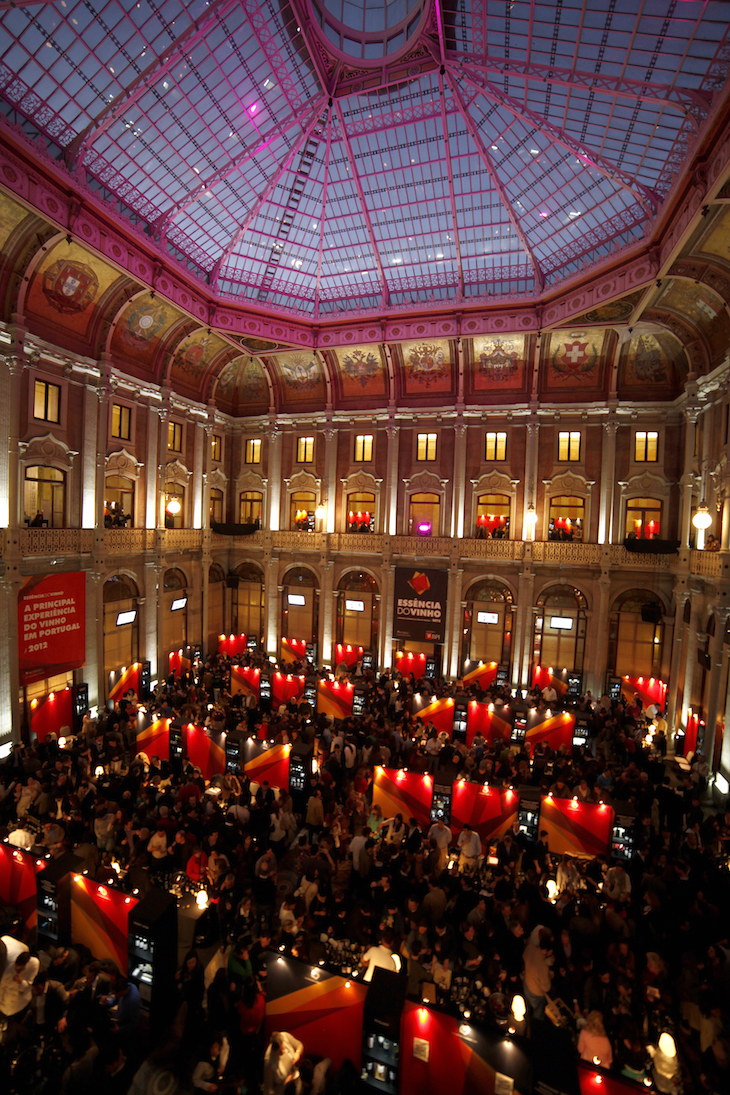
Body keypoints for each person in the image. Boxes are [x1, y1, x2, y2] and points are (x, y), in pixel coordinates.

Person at [263, 1030, 304, 1095]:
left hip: (296, 1079)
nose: (283, 1052)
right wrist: (285, 1082)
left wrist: (297, 1053)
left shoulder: (285, 1036)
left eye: (283, 1048)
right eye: (280, 1051)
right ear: (274, 1050)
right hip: (284, 1090)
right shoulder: (269, 1062)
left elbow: (299, 1045)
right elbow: (269, 1090)